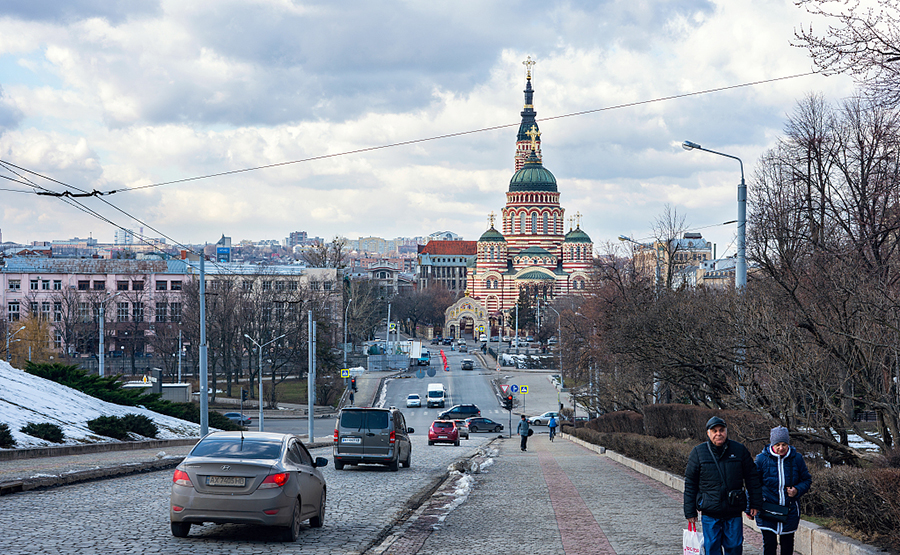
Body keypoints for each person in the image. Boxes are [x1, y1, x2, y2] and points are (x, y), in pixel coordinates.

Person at [684, 416, 763, 555]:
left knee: (734, 547)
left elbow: (752, 478)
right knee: (712, 548)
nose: (718, 433)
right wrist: (690, 511)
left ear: (726, 431)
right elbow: (691, 483)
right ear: (708, 433)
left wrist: (755, 503)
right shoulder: (698, 452)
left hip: (733, 510)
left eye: (721, 430)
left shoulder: (739, 450)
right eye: (714, 431)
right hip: (710, 511)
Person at [755, 426, 812, 555]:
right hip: (767, 509)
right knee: (769, 545)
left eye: (784, 444)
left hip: (789, 510)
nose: (781, 448)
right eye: (778, 445)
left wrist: (797, 490)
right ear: (772, 444)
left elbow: (807, 480)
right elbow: (753, 484)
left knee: (787, 546)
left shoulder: (796, 458)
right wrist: (750, 507)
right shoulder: (761, 459)